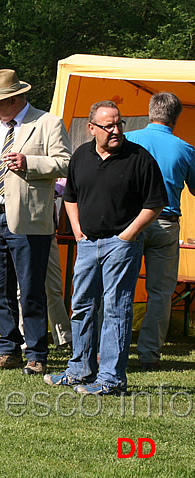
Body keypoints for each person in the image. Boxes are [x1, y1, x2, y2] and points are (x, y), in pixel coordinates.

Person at [44, 100, 167, 395]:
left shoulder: (139, 158)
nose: (116, 130)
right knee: (82, 306)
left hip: (121, 246)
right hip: (88, 243)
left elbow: (156, 202)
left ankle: (111, 379)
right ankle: (80, 371)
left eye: (118, 124)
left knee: (116, 310)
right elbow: (70, 196)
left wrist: (128, 235)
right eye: (108, 125)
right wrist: (76, 229)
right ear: (91, 129)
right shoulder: (80, 157)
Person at [0, 69, 71, 375]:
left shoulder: (47, 123)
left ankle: (37, 353)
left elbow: (66, 163)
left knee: (30, 288)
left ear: (15, 98)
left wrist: (30, 163)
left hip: (29, 218)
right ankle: (7, 349)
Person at [124, 92, 195, 371]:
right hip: (166, 223)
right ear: (176, 118)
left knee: (118, 288)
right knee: (161, 293)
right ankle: (149, 355)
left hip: (130, 222)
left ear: (150, 111)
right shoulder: (186, 149)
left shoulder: (129, 141)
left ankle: (112, 349)